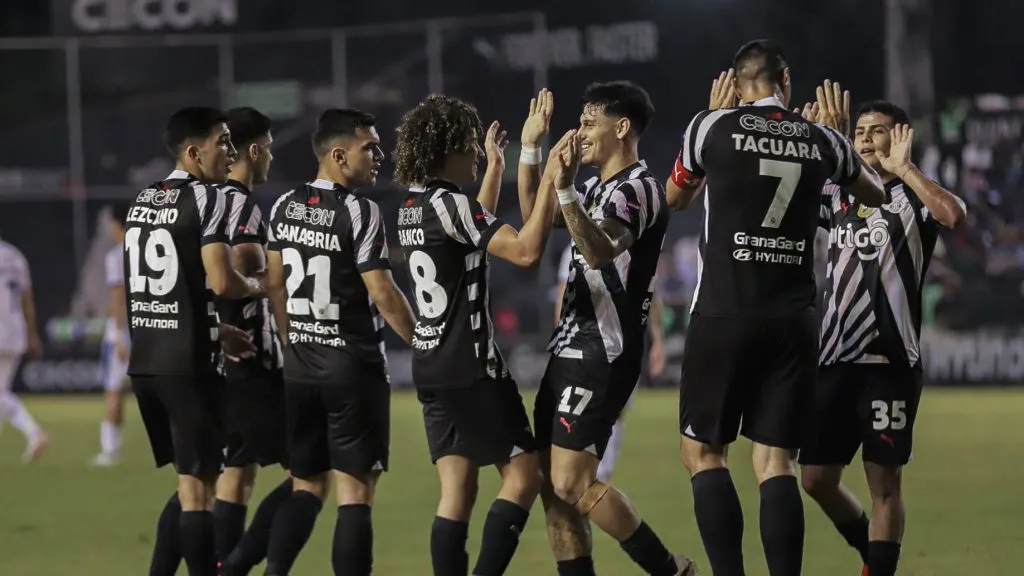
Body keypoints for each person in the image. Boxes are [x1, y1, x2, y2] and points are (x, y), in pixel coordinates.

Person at [665, 41, 886, 576]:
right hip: (793, 320)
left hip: (723, 312)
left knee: (704, 453)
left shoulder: (710, 126)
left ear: (738, 84)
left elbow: (675, 198)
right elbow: (875, 193)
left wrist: (715, 120)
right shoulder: (822, 139)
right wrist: (840, 144)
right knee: (775, 462)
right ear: (784, 80)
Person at [522, 81, 693, 576]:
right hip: (569, 347)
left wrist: (565, 188)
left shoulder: (639, 188)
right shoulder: (596, 188)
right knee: (553, 488)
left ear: (621, 128)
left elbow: (599, 250)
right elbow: (535, 214)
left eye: (589, 123)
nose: (580, 132)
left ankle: (670, 570)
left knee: (572, 482)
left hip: (604, 352)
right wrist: (532, 150)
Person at [392, 92, 559, 576]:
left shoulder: (413, 206)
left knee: (457, 491)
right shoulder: (451, 205)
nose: (475, 151)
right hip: (471, 366)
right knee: (525, 476)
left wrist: (496, 169)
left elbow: (469, 233)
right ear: (446, 149)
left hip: (431, 365)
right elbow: (525, 251)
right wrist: (551, 179)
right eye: (468, 143)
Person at [799, 100, 966, 576]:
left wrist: (906, 168)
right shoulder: (837, 193)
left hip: (889, 363)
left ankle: (878, 566)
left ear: (900, 136)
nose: (866, 138)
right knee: (815, 478)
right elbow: (789, 199)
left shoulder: (914, 195)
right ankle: (872, 554)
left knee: (885, 485)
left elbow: (954, 215)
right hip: (834, 358)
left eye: (877, 130)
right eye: (859, 131)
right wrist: (819, 147)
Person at [262, 108, 416, 576]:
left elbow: (275, 284)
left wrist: (292, 342)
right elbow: (383, 293)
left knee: (306, 485)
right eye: (370, 148)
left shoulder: (283, 205)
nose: (380, 156)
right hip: (352, 369)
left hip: (300, 369)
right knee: (355, 492)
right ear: (338, 155)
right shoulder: (360, 211)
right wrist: (424, 340)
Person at [127, 106, 263, 576]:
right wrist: (260, 286)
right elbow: (222, 281)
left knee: (189, 488)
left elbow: (162, 290)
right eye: (222, 142)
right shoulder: (209, 198)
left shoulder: (144, 199)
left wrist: (214, 330)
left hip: (147, 360)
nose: (231, 152)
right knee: (201, 493)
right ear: (193, 152)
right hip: (189, 366)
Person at [211, 107, 294, 574]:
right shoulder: (240, 205)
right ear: (255, 150)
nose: (273, 159)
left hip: (221, 359)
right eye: (271, 149)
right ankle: (236, 567)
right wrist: (272, 279)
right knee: (309, 474)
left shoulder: (206, 201)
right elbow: (243, 260)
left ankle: (220, 564)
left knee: (236, 475)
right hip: (253, 358)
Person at [552, 243, 667, 484]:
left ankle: (597, 477)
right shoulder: (581, 246)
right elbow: (564, 297)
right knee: (595, 414)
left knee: (609, 414)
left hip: (615, 346)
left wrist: (658, 339)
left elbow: (650, 294)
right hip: (596, 345)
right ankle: (595, 477)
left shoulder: (631, 247)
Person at [91, 203, 131, 466]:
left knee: (114, 391)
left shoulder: (117, 255)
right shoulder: (149, 249)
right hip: (149, 327)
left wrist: (118, 333)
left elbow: (119, 295)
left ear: (116, 225)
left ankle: (109, 450)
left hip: (124, 332)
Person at [0, 238, 46, 462]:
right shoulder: (14, 256)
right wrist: (31, 333)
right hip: (14, 331)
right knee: (1, 391)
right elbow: (27, 298)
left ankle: (34, 432)